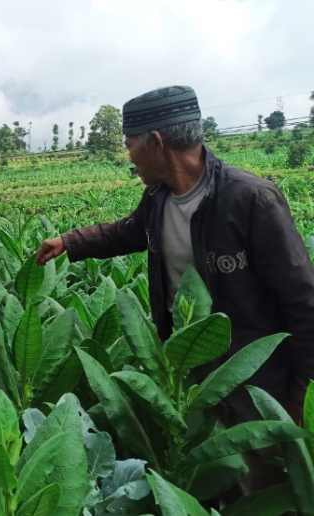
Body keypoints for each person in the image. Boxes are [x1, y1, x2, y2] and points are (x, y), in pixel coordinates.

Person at [35, 85, 314, 493]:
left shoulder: (251, 199)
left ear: (157, 143)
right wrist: (71, 242)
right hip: (190, 374)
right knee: (210, 482)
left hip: (256, 382)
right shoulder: (159, 197)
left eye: (130, 145)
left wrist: (302, 393)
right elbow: (128, 232)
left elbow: (304, 303)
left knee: (262, 489)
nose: (128, 156)